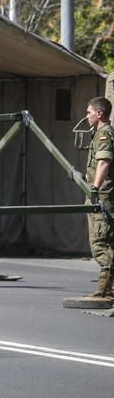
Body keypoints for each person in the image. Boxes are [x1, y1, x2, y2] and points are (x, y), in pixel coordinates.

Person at [82, 97, 114, 303]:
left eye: (89, 112)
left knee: (99, 243)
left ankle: (103, 290)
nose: (86, 116)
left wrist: (94, 188)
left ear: (99, 114)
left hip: (102, 195)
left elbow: (103, 162)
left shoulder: (104, 134)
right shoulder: (102, 133)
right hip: (104, 194)